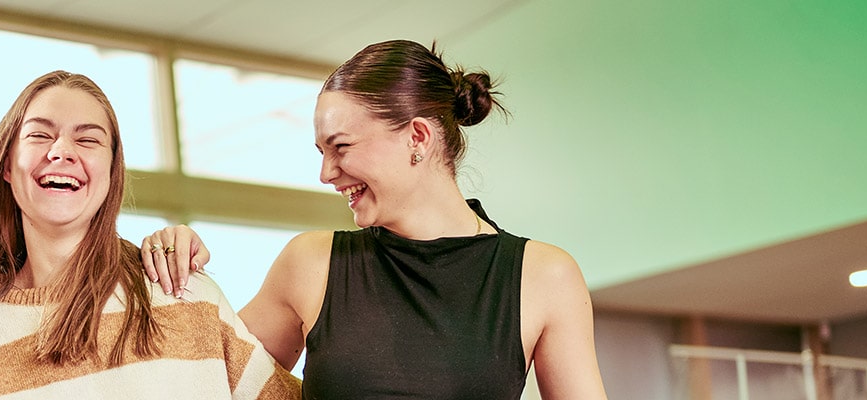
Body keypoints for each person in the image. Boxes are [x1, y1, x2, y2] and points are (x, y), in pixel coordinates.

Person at [140, 40, 607, 399]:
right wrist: (177, 258)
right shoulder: (310, 263)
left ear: (417, 137)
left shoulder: (544, 276)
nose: (326, 173)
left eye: (341, 147)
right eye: (321, 152)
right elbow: (196, 379)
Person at [0, 70, 301, 400]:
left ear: (111, 171)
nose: (62, 151)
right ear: (8, 167)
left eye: (88, 140)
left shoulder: (183, 292)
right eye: (40, 134)